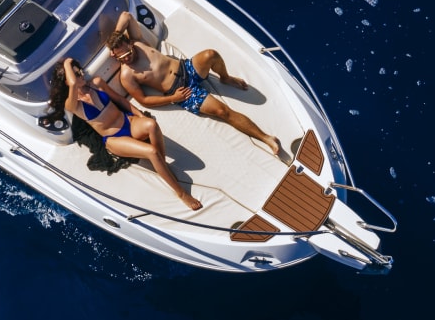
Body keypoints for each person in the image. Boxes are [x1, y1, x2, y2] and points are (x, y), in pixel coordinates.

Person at [107, 11, 282, 157]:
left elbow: (126, 16)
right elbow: (144, 100)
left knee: (211, 54)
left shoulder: (138, 42)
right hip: (182, 91)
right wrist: (173, 98)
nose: (126, 58)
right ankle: (266, 138)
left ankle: (225, 78)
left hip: (186, 68)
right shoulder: (127, 75)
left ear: (129, 43)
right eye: (121, 58)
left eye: (127, 53)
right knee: (222, 112)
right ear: (116, 57)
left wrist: (114, 39)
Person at [48, 58, 202, 211]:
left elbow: (120, 100)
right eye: (76, 74)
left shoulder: (96, 83)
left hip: (128, 122)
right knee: (151, 151)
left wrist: (140, 115)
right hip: (115, 138)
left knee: (152, 125)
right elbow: (73, 84)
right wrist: (67, 63)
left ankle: (161, 167)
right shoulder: (73, 105)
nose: (81, 75)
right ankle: (181, 193)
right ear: (67, 81)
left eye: (80, 71)